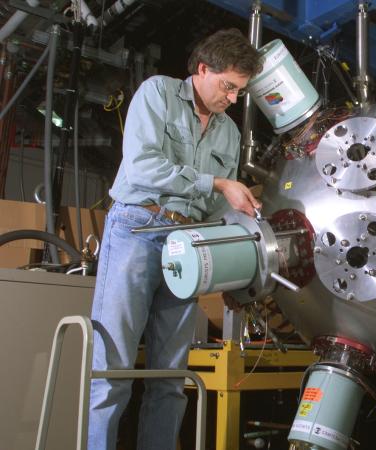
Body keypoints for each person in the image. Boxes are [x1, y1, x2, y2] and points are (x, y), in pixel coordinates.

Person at [88, 28, 262, 450]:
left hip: (187, 245)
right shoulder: (157, 94)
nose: (233, 99)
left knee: (170, 376)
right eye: (228, 86)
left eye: (240, 91)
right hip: (136, 228)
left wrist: (240, 267)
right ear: (203, 68)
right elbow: (144, 166)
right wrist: (219, 183)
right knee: (112, 371)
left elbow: (220, 210)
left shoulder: (229, 133)